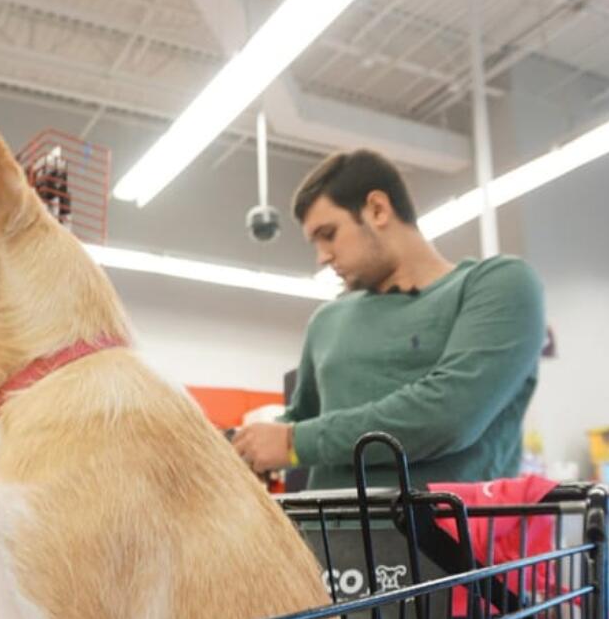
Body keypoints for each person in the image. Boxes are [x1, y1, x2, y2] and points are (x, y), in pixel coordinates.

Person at [233, 149, 545, 489]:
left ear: (378, 210)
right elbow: (301, 419)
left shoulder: (497, 285)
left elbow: (446, 417)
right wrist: (254, 446)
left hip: (444, 538)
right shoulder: (326, 320)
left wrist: (295, 443)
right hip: (324, 539)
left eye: (329, 234)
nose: (322, 257)